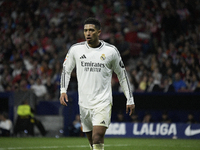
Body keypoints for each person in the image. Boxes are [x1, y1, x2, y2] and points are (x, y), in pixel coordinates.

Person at [60, 17, 135, 150]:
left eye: (91, 30)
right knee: (92, 141)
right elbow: (66, 70)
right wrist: (63, 90)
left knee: (97, 136)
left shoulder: (111, 51)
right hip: (84, 103)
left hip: (103, 102)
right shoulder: (76, 50)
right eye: (85, 30)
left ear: (99, 32)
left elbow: (122, 76)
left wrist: (129, 99)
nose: (88, 33)